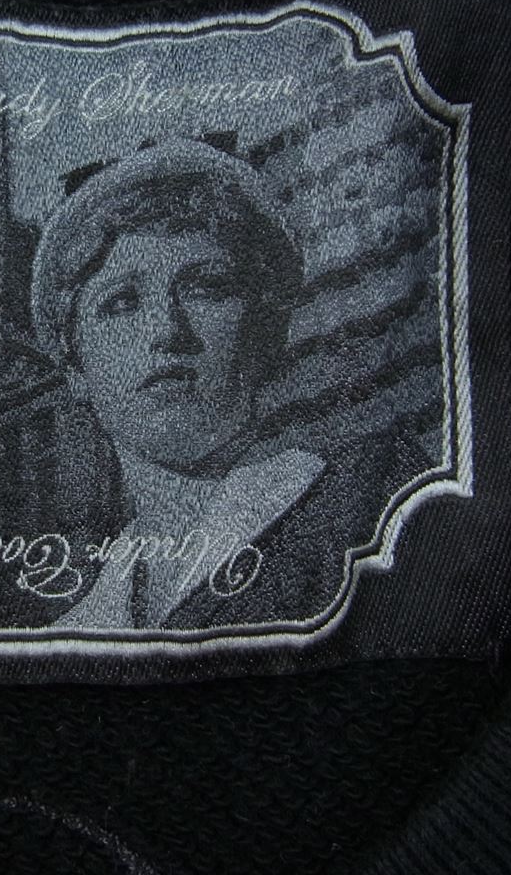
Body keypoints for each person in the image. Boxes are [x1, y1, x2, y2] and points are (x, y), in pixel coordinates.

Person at [31, 137, 422, 631]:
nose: (167, 332)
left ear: (264, 331)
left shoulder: (373, 500)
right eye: (121, 303)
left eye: (207, 289)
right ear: (76, 368)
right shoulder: (80, 628)